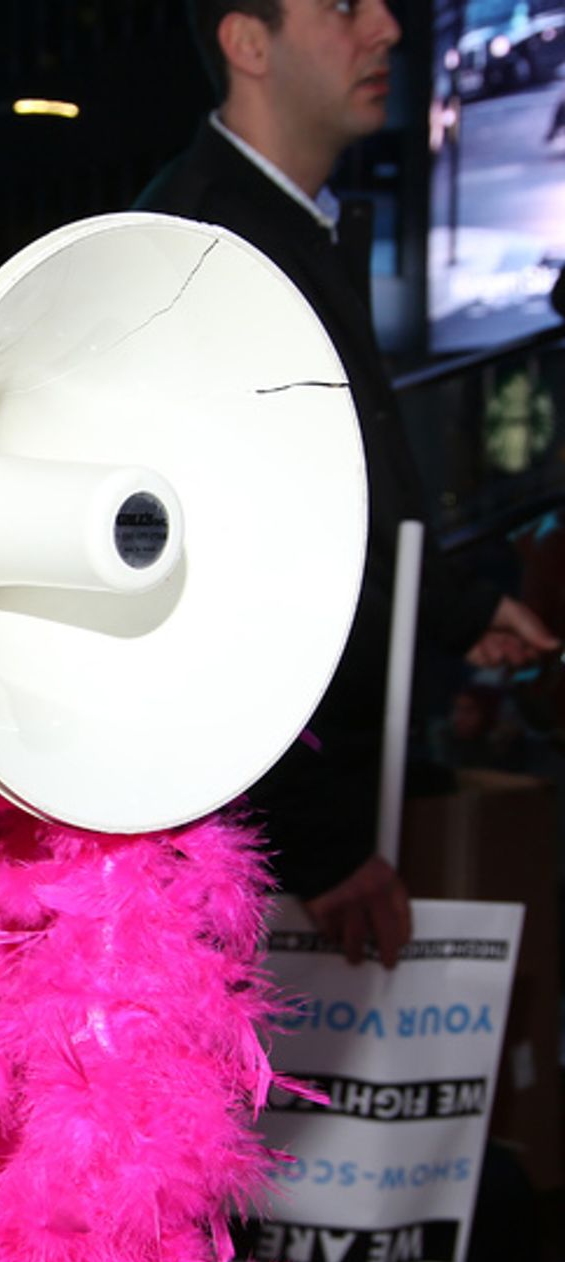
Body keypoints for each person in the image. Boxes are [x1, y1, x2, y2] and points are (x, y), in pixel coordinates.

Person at [136, 0, 559, 967]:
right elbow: (228, 581)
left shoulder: (281, 228)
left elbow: (340, 498)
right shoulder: (212, 249)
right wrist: (322, 846)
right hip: (251, 856)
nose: (388, 31)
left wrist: (454, 608)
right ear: (249, 45)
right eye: (342, 8)